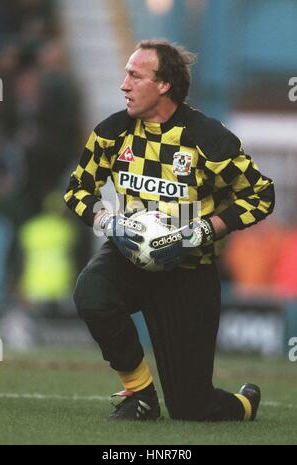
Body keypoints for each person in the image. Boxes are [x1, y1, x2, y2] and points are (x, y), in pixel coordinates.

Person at [64, 39, 275, 422]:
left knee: (192, 409)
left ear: (164, 85)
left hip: (189, 271)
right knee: (91, 294)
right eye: (126, 74)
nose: (123, 85)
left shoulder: (210, 139)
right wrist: (108, 222)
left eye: (135, 75)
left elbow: (261, 196)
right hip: (128, 259)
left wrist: (199, 233)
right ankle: (140, 396)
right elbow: (77, 190)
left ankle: (244, 404)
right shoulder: (112, 132)